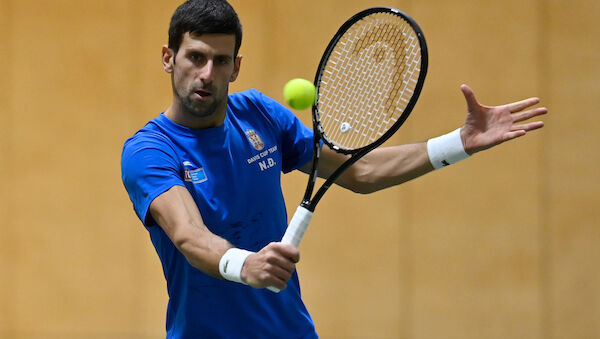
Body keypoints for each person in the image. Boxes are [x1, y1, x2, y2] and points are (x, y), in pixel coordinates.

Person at [120, 0, 547, 338]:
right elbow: (189, 236)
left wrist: (458, 143)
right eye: (195, 57)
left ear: (236, 66)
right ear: (168, 57)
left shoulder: (258, 115)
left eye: (221, 60)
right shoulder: (149, 151)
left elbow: (359, 173)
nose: (207, 73)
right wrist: (244, 265)